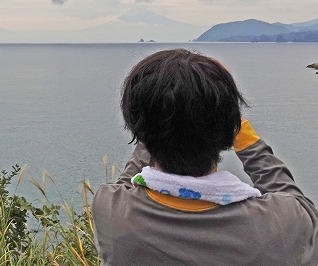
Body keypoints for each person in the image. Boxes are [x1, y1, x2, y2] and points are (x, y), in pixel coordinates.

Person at [93, 49, 318, 266]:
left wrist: (158, 118)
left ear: (137, 126)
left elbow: (128, 182)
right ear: (229, 127)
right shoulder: (282, 223)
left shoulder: (110, 210)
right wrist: (239, 127)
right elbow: (296, 201)